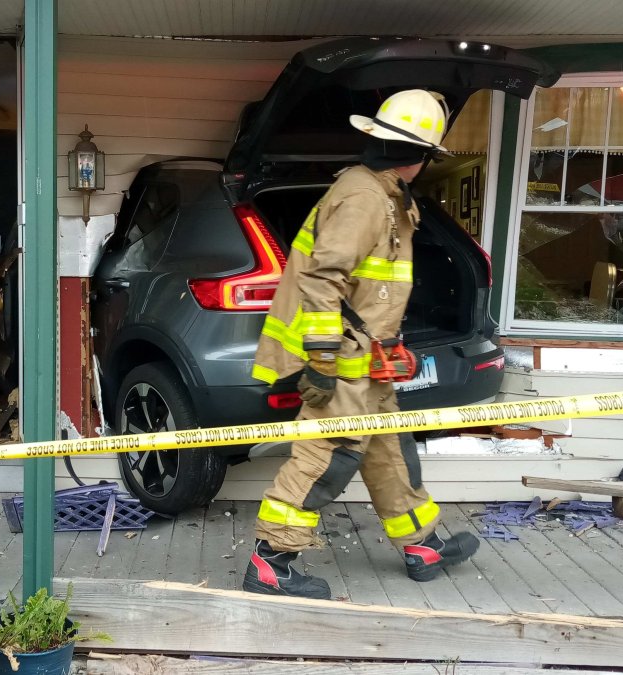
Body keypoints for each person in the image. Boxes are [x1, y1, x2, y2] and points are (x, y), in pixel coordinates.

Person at [242, 90, 480, 599]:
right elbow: (324, 279)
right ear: (418, 155)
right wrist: (324, 358)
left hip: (368, 358)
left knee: (390, 450)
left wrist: (393, 344)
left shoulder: (384, 193)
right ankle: (272, 561)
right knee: (329, 454)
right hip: (345, 359)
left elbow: (373, 291)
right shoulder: (365, 197)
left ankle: (421, 544)